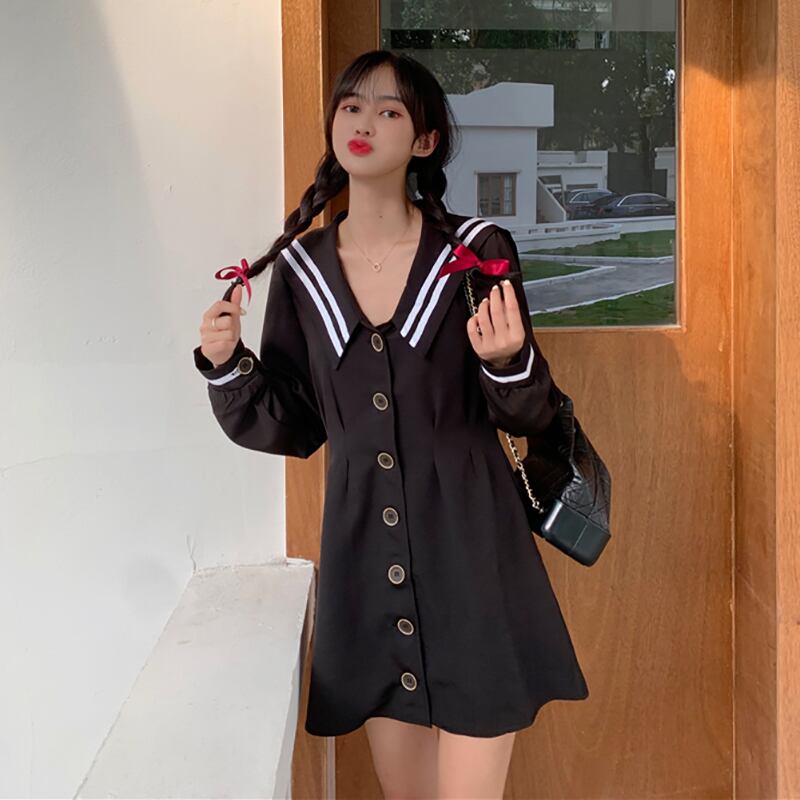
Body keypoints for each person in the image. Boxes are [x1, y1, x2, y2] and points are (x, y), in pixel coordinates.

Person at [194, 49, 588, 800]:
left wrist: (507, 361)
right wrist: (227, 365)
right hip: (366, 564)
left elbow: (528, 414)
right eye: (351, 106)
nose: (364, 122)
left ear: (425, 139)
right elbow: (297, 424)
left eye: (389, 110)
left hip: (473, 552)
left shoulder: (474, 254)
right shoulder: (304, 270)